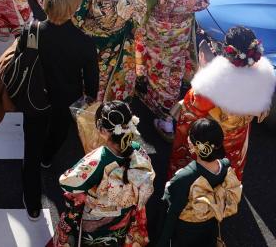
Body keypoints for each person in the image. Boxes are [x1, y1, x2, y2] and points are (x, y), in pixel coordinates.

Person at [20, 0, 99, 221]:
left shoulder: (31, 32)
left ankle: (32, 203)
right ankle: (48, 157)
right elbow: (91, 82)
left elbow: (23, 61)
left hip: (35, 97)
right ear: (73, 9)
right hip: (66, 101)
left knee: (30, 151)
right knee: (57, 134)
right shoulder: (84, 42)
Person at [168, 26, 275, 181]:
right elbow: (262, 110)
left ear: (228, 50)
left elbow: (191, 112)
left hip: (211, 137)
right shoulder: (263, 76)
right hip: (238, 136)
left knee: (197, 176)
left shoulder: (214, 83)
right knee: (229, 173)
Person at [140, 0, 214, 141]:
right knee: (175, 63)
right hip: (182, 27)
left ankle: (165, 113)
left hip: (158, 28)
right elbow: (203, 0)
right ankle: (176, 101)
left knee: (158, 65)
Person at [49, 101, 155, 246]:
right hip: (123, 216)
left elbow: (67, 182)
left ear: (103, 130)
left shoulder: (99, 159)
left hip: (96, 218)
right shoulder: (138, 150)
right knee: (114, 240)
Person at [70, 0, 145, 103]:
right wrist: (122, 21)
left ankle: (93, 106)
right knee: (118, 77)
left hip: (94, 43)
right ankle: (116, 109)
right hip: (121, 40)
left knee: (94, 77)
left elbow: (76, 16)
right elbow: (140, 13)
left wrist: (87, 27)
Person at [158, 117, 244, 247]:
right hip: (210, 228)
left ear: (195, 145)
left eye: (190, 137)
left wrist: (161, 242)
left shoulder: (185, 177)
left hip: (185, 234)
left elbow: (170, 216)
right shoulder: (226, 166)